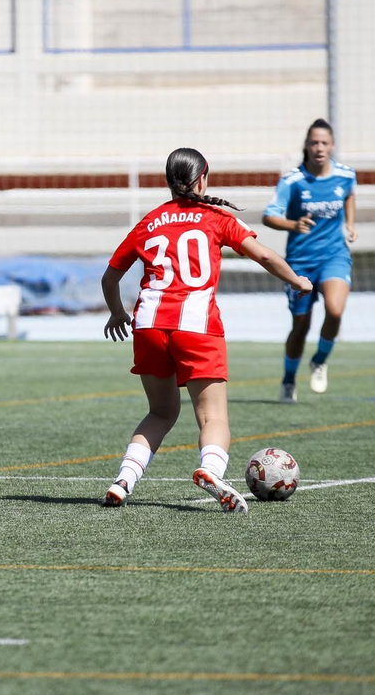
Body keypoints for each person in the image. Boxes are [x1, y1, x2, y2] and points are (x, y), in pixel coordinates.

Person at [99, 148, 313, 512]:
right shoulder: (216, 218)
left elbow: (110, 276)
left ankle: (123, 480)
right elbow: (262, 255)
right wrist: (297, 280)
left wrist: (118, 312)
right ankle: (211, 470)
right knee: (213, 418)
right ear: (202, 179)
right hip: (196, 325)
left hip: (148, 323)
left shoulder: (149, 221)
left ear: (169, 182)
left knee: (161, 413)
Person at [262, 119, 356, 403]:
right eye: (314, 142)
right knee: (300, 326)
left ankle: (320, 360)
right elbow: (269, 216)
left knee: (335, 310)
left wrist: (349, 224)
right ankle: (289, 380)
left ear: (332, 146)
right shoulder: (292, 181)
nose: (319, 148)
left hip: (334, 256)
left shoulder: (345, 175)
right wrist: (292, 224)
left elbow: (349, 196)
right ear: (306, 145)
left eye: (324, 143)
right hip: (300, 263)